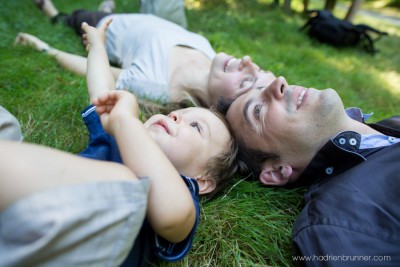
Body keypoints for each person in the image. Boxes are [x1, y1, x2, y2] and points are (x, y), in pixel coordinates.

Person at [0, 19, 239, 266]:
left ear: (202, 180)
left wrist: (126, 122)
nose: (176, 115)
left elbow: (173, 216)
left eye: (196, 126)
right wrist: (97, 47)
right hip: (29, 205)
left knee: (125, 182)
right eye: (176, 114)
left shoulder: (180, 191)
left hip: (80, 243)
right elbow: (103, 93)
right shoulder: (119, 137)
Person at [225, 76, 400, 265]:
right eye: (258, 110)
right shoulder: (337, 226)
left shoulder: (392, 126)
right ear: (276, 171)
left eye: (263, 87)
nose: (279, 82)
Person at [15, 0, 276, 108]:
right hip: (145, 19)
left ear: (215, 108)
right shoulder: (213, 62)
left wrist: (45, 49)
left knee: (74, 19)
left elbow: (97, 69)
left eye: (246, 82)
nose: (249, 63)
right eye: (259, 70)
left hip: (110, 25)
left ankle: (50, 10)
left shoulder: (155, 87)